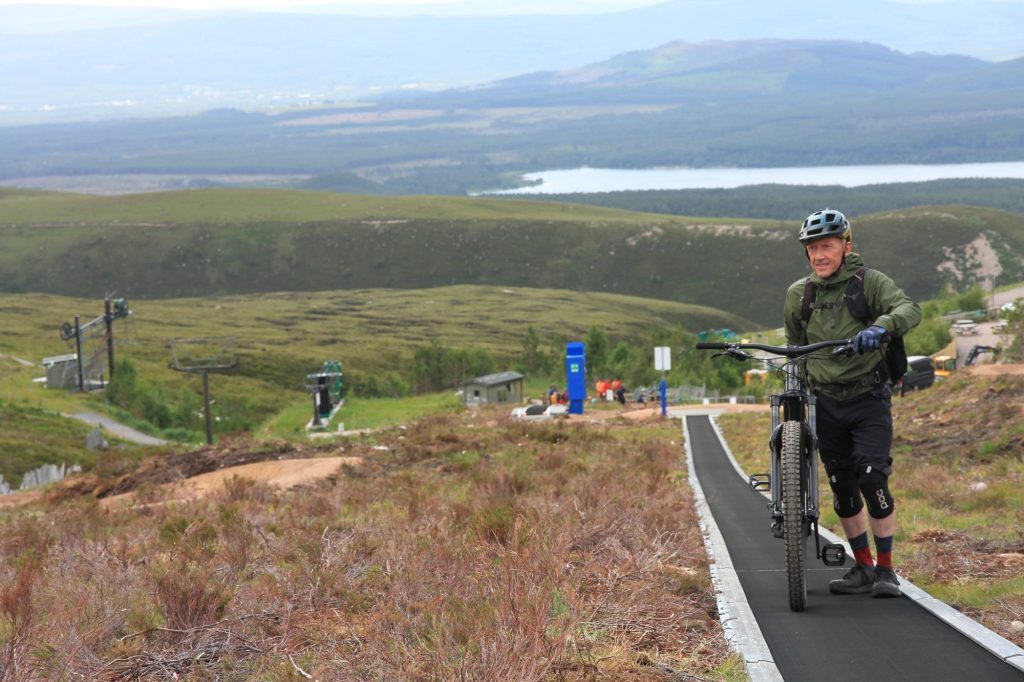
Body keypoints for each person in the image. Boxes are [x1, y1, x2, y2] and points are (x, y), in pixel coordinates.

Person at [783, 209, 921, 599]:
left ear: (846, 246)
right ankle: (862, 566)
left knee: (872, 476)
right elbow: (795, 347)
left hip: (868, 398)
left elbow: (909, 309)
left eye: (826, 246)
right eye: (812, 249)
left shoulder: (869, 282)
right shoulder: (800, 294)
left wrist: (881, 327)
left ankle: (887, 570)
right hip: (826, 403)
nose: (819, 255)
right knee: (842, 484)